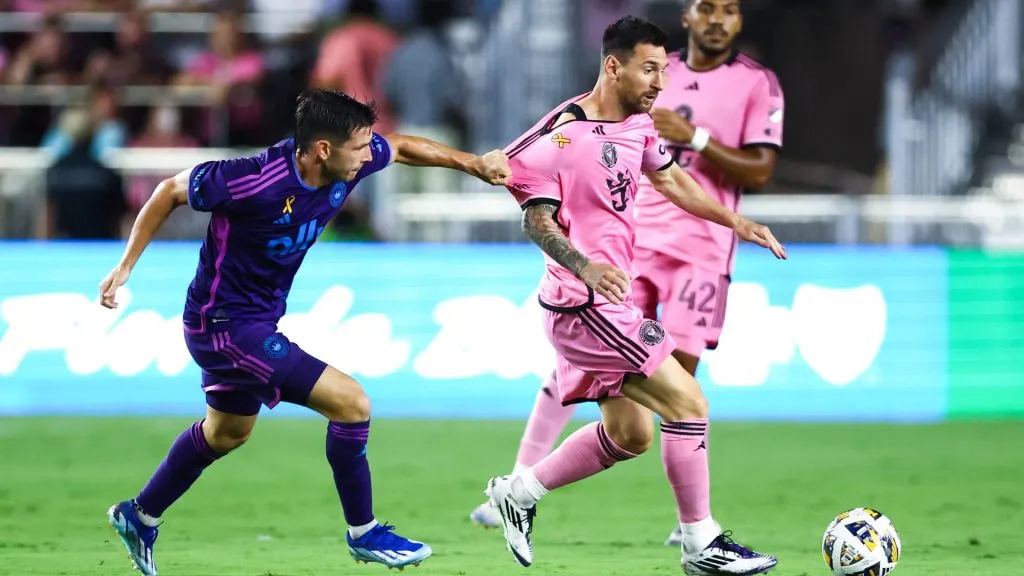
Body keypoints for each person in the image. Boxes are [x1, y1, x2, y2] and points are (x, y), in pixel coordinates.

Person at [99, 88, 511, 576]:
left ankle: (139, 515)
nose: (368, 156)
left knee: (227, 433)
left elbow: (400, 146)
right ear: (322, 149)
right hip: (223, 326)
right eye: (359, 147)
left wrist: (473, 164)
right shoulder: (251, 179)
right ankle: (364, 532)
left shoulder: (346, 165)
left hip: (254, 321)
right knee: (351, 403)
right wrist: (125, 266)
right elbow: (169, 191)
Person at [471, 0, 786, 558]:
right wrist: (583, 266)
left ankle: (517, 493)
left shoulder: (639, 125)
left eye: (664, 70)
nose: (661, 83)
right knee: (689, 402)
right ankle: (701, 542)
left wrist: (737, 221)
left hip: (609, 301)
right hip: (585, 304)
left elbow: (673, 182)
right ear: (614, 67)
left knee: (631, 433)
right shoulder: (565, 131)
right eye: (650, 70)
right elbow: (533, 215)